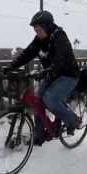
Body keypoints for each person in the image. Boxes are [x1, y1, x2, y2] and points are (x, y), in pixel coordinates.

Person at [10, 10, 80, 146]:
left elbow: (61, 57)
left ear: (47, 27)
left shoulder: (59, 36)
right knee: (38, 101)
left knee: (50, 98)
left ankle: (72, 120)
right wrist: (11, 66)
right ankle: (40, 135)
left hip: (68, 75)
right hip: (51, 75)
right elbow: (27, 53)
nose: (37, 33)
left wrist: (49, 70)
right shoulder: (39, 40)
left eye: (38, 29)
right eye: (35, 30)